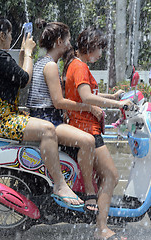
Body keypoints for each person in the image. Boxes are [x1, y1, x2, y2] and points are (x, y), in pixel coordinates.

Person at [0, 15, 83, 207]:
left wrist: (23, 56)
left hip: (4, 116)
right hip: (2, 120)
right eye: (10, 34)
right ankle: (60, 184)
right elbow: (24, 79)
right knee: (48, 130)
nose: (12, 38)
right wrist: (27, 52)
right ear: (2, 35)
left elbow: (17, 76)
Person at [27, 19, 104, 213]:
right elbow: (58, 102)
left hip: (45, 117)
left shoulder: (43, 62)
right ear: (60, 41)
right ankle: (89, 193)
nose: (71, 45)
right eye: (68, 40)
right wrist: (88, 107)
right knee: (87, 141)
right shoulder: (51, 66)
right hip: (48, 119)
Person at [63, 27, 132, 240]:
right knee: (111, 175)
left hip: (86, 127)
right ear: (90, 47)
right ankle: (101, 229)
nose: (101, 54)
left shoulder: (76, 64)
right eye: (100, 49)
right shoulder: (80, 67)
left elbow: (87, 93)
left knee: (107, 176)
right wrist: (118, 103)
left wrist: (111, 94)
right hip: (87, 130)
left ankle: (100, 223)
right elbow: (86, 97)